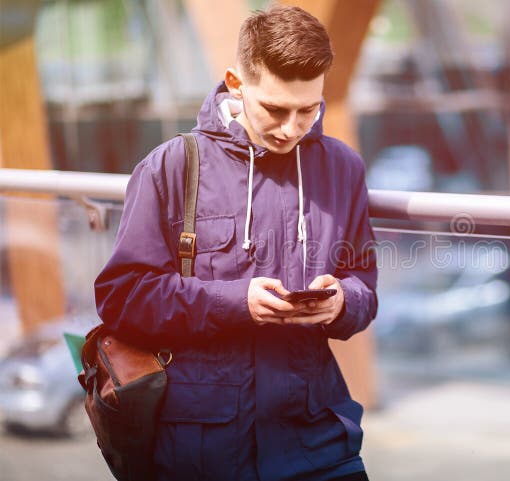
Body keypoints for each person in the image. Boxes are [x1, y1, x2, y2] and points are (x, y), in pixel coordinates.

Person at [94, 6, 378, 481]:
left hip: (318, 439)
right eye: (275, 109)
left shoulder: (343, 168)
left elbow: (365, 287)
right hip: (202, 450)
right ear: (235, 82)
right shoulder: (171, 167)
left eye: (308, 109)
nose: (292, 128)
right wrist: (235, 302)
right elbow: (122, 297)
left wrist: (341, 302)